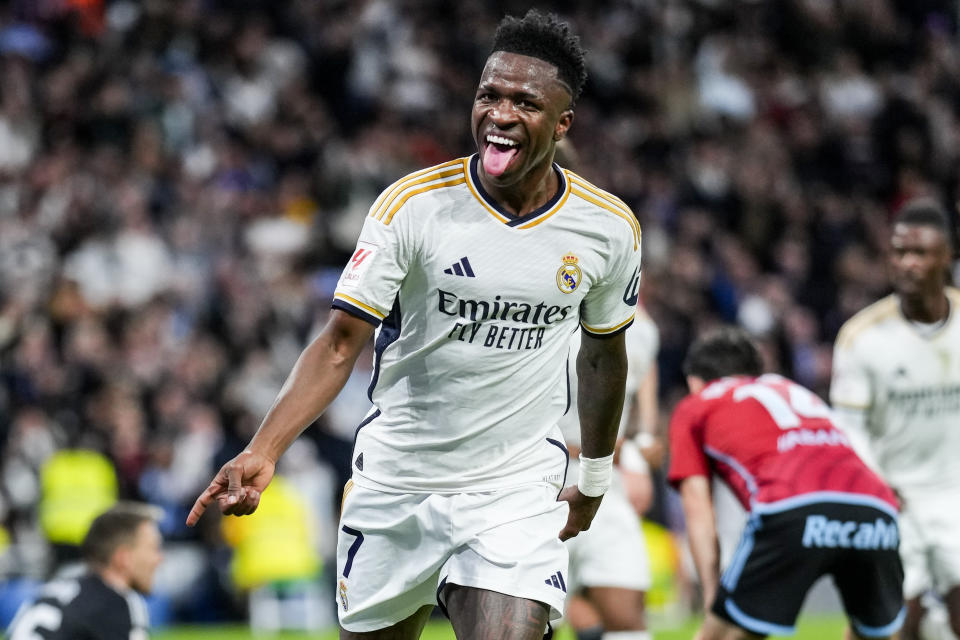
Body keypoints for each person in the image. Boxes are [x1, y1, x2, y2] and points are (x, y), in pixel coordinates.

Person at [186, 10, 643, 640]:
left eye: (525, 102)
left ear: (563, 124)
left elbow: (602, 355)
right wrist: (264, 449)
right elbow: (341, 342)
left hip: (513, 487)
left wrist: (592, 475)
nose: (500, 113)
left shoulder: (607, 228)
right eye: (489, 95)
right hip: (399, 481)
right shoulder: (414, 205)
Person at [668, 327, 904, 640]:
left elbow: (698, 508)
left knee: (723, 634)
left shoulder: (695, 405)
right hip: (877, 510)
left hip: (793, 507)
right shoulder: (794, 390)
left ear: (694, 382)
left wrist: (714, 599)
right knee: (874, 635)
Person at [830, 198, 960, 640]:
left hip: (955, 492)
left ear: (948, 257)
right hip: (893, 498)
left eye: (920, 253)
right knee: (887, 626)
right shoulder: (862, 337)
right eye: (898, 252)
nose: (907, 263)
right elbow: (849, 432)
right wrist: (876, 488)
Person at [559, 309, 659, 640]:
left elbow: (641, 368)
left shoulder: (639, 324)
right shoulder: (546, 304)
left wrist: (641, 447)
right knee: (529, 621)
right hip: (543, 475)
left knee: (626, 616)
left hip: (608, 478)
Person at [7, 502, 163, 640]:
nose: (159, 559)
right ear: (123, 559)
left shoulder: (54, 590)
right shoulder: (121, 603)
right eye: (153, 549)